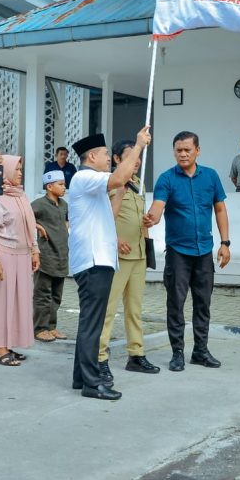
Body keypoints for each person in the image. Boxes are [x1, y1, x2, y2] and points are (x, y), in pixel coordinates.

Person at [68, 127, 150, 400]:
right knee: (93, 323)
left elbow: (111, 209)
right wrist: (137, 146)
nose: (107, 158)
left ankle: (81, 378)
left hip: (99, 259)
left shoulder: (93, 182)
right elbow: (118, 176)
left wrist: (120, 191)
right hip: (93, 260)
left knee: (89, 322)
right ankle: (93, 383)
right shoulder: (85, 177)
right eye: (105, 154)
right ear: (91, 156)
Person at [146, 131, 231, 372]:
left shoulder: (211, 176)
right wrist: (151, 218)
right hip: (178, 253)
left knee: (203, 303)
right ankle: (177, 354)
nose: (183, 154)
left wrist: (225, 243)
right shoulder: (166, 179)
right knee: (176, 303)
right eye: (178, 150)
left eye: (187, 150)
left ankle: (201, 351)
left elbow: (220, 210)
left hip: (204, 250)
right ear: (174, 152)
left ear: (197, 150)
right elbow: (158, 206)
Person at [98, 140, 159, 380]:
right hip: (118, 255)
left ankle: (136, 354)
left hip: (138, 254)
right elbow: (102, 217)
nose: (137, 161)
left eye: (138, 157)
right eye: (131, 156)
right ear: (116, 160)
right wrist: (114, 240)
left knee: (135, 309)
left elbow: (137, 218)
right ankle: (100, 356)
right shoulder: (111, 184)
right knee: (109, 308)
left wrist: (148, 225)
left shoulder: (139, 184)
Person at [0, 155, 39, 366]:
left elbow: (29, 227)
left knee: (18, 302)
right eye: (17, 169)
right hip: (3, 256)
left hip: (22, 257)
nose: (20, 172)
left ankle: (10, 343)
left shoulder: (20, 196)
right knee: (0, 304)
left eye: (21, 169)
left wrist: (35, 250)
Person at [31, 170, 70, 342]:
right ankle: (39, 328)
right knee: (42, 295)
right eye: (60, 184)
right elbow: (24, 219)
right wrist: (37, 227)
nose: (64, 187)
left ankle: (51, 327)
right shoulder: (39, 204)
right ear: (49, 186)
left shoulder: (64, 205)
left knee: (56, 295)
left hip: (61, 256)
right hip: (45, 256)